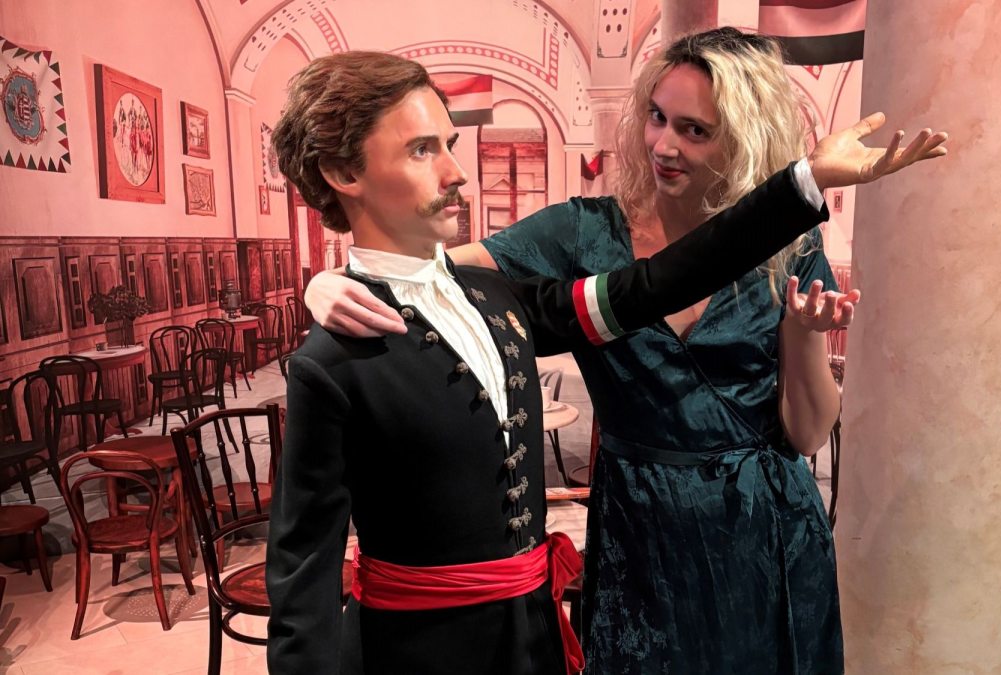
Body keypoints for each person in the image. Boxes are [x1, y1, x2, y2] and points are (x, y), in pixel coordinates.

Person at [265, 48, 940, 675]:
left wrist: (805, 182)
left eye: (449, 143)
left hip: (605, 603)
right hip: (461, 627)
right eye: (422, 149)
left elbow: (664, 279)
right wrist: (334, 278)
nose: (457, 172)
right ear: (344, 174)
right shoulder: (340, 357)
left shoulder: (502, 302)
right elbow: (303, 575)